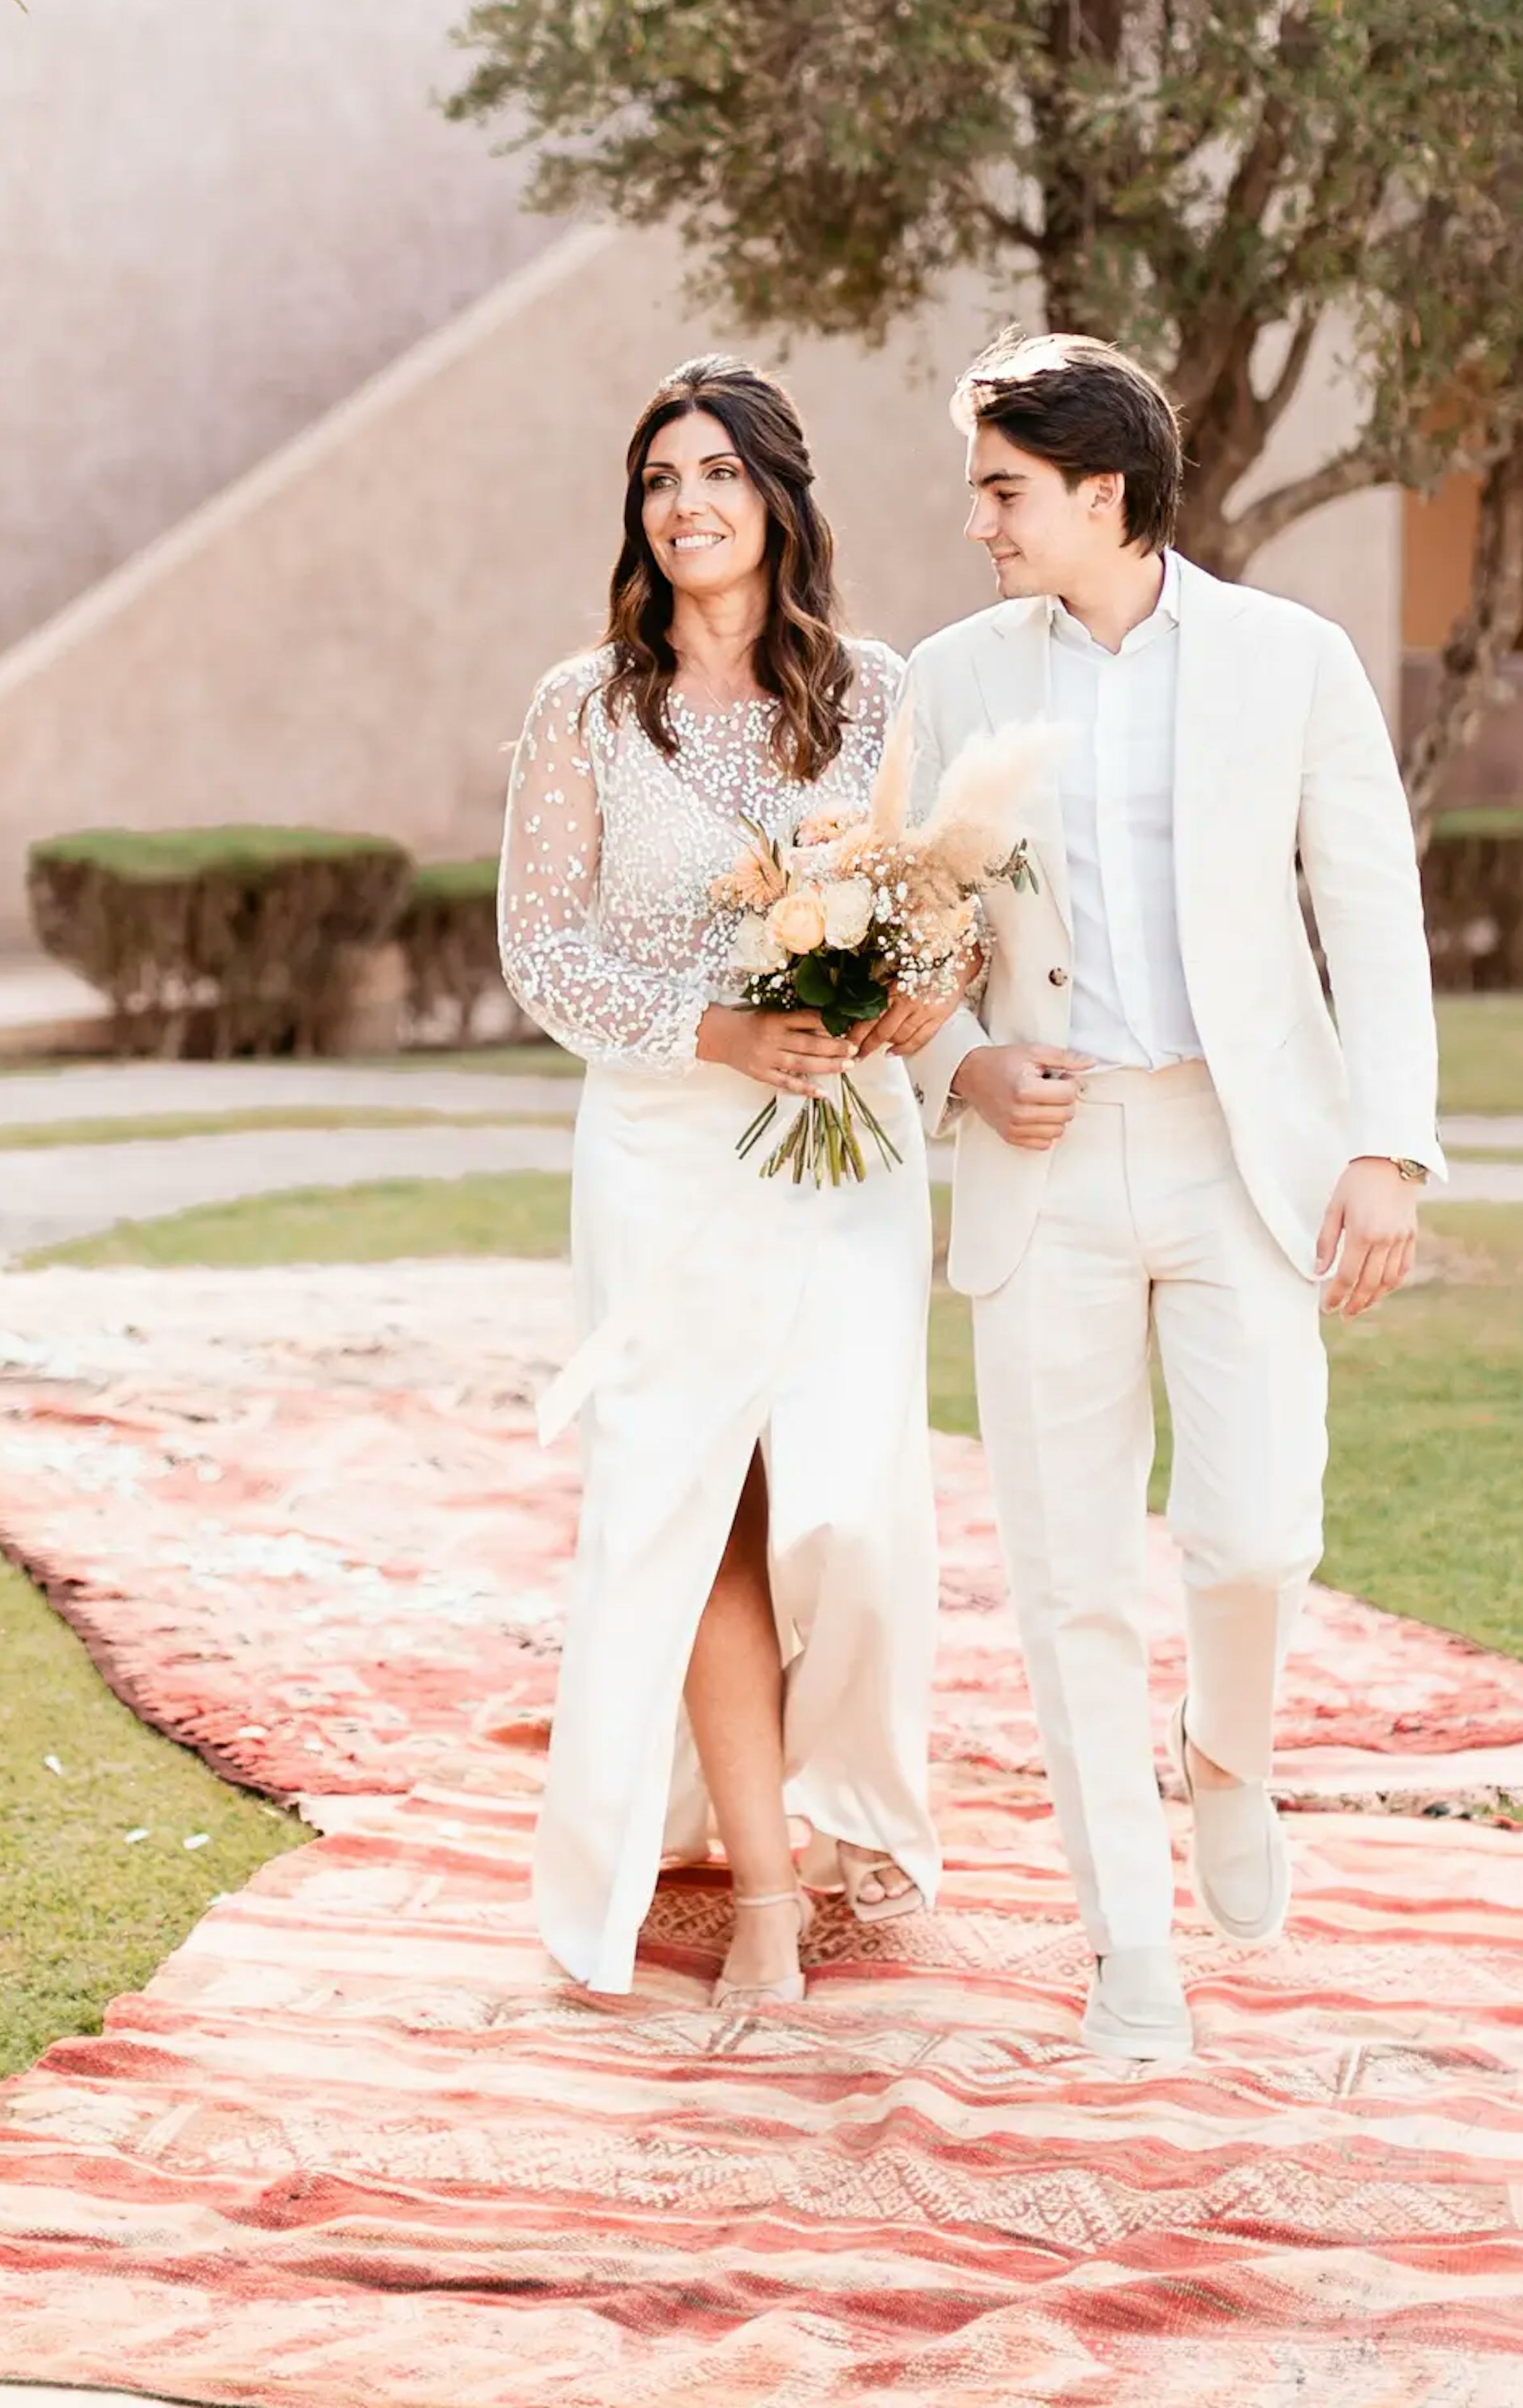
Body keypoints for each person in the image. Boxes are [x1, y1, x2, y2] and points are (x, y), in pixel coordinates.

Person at [901, 333, 1443, 2065]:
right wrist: (963, 1067)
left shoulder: (1293, 660)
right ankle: (1127, 1949)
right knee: (1068, 1573)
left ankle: (1228, 1748)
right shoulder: (956, 677)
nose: (979, 520)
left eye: (1003, 488)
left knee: (1260, 1527)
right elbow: (909, 943)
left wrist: (1390, 1146)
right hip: (1047, 1166)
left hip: (1241, 1155)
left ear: (1102, 490)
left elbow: (1370, 913)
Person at [500, 354, 948, 2006]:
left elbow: (938, 901)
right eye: (660, 479)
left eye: (717, 475)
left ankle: (838, 1802)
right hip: (668, 1148)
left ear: (777, 500)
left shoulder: (880, 693)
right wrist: (715, 1031)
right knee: (698, 1509)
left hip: (850, 1152)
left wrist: (922, 989)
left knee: (848, 1508)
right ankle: (766, 1883)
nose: (686, 505)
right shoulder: (584, 709)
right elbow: (539, 951)